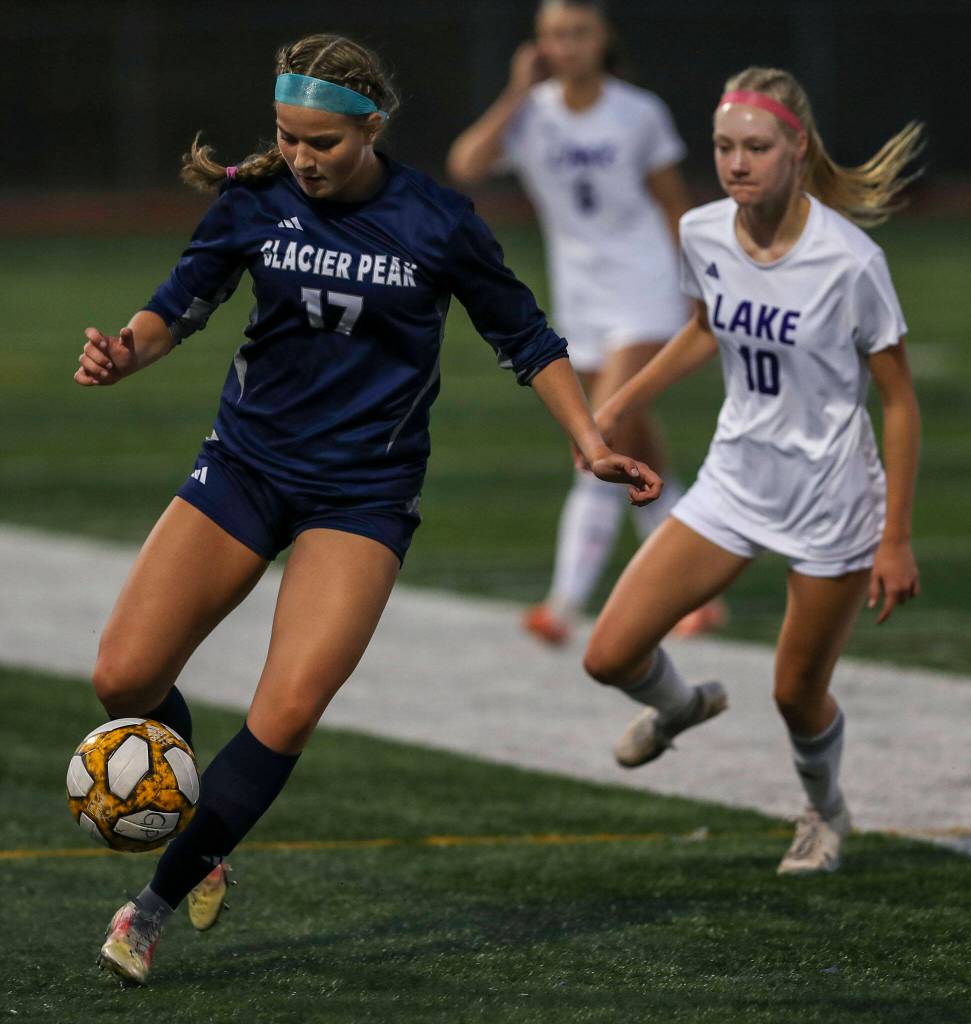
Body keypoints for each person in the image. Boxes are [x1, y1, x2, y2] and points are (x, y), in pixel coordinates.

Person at [75, 32, 661, 985]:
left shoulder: (438, 220)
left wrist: (589, 440)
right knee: (121, 678)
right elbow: (178, 305)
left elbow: (528, 337)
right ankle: (201, 816)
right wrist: (124, 353)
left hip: (363, 494)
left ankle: (150, 909)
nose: (301, 158)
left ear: (371, 128)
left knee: (289, 707)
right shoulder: (255, 199)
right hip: (246, 468)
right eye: (287, 137)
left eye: (323, 143)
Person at [583, 66, 923, 874]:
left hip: (831, 500)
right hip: (736, 481)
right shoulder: (702, 231)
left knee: (795, 695)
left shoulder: (850, 261)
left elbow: (901, 404)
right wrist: (616, 407)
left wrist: (896, 539)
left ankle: (826, 812)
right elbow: (705, 328)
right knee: (609, 655)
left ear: (797, 149)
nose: (737, 163)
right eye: (725, 147)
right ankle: (681, 707)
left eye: (756, 148)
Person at [447, 0, 723, 645]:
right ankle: (698, 594)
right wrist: (517, 88)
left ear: (602, 39)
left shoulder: (637, 112)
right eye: (552, 35)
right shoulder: (531, 114)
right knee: (639, 448)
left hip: (646, 287)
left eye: (576, 32)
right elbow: (466, 164)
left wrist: (699, 283)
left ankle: (563, 604)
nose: (564, 45)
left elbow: (674, 203)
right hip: (581, 300)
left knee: (598, 432)